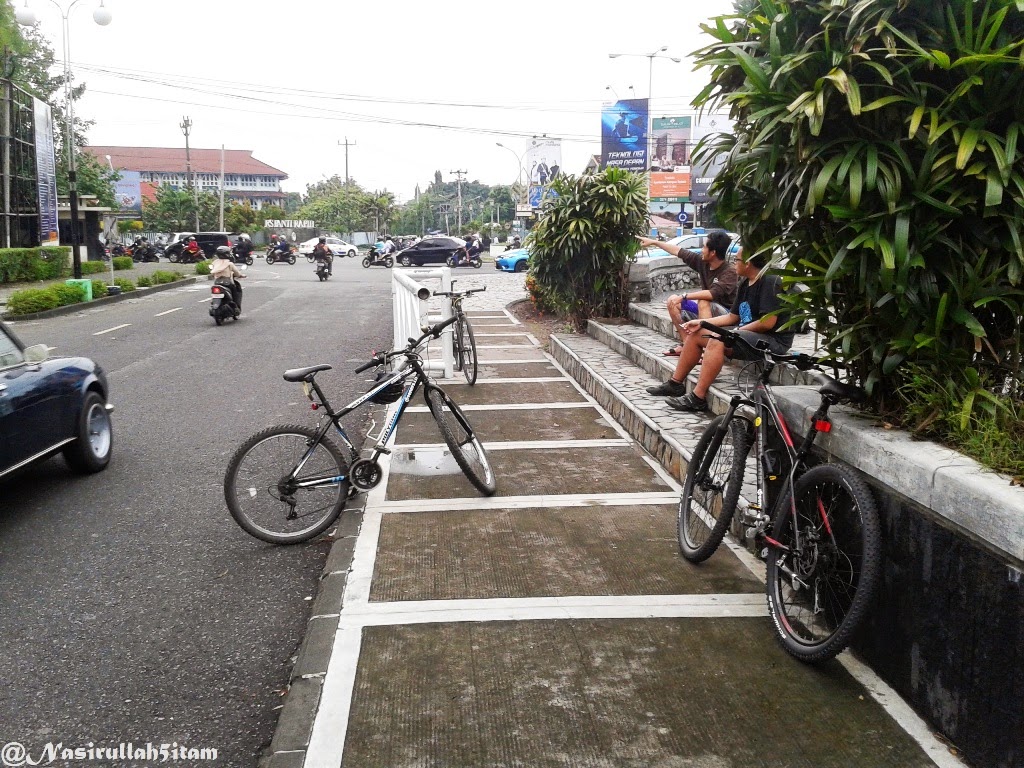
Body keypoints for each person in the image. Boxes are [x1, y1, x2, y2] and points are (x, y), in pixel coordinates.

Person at [646, 247, 796, 412]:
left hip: (772, 342)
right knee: (697, 333)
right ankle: (675, 384)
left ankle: (698, 397)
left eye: (736, 260)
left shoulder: (769, 281)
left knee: (719, 338)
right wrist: (702, 322)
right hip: (748, 335)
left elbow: (767, 323)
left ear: (748, 262)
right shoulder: (745, 283)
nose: (734, 263)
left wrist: (736, 332)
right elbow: (732, 317)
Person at [637, 230, 738, 357]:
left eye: (704, 247)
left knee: (703, 301)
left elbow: (712, 294)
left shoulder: (729, 272)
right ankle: (687, 344)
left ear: (713, 253)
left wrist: (685, 296)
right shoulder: (702, 262)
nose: (701, 250)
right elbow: (678, 251)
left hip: (725, 315)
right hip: (705, 312)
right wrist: (655, 242)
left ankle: (707, 351)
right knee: (673, 301)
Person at [209, 245, 245, 310]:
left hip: (217, 282)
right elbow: (237, 273)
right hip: (227, 283)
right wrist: (241, 275)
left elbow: (212, 271)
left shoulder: (215, 262)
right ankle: (236, 307)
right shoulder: (229, 264)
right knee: (235, 292)